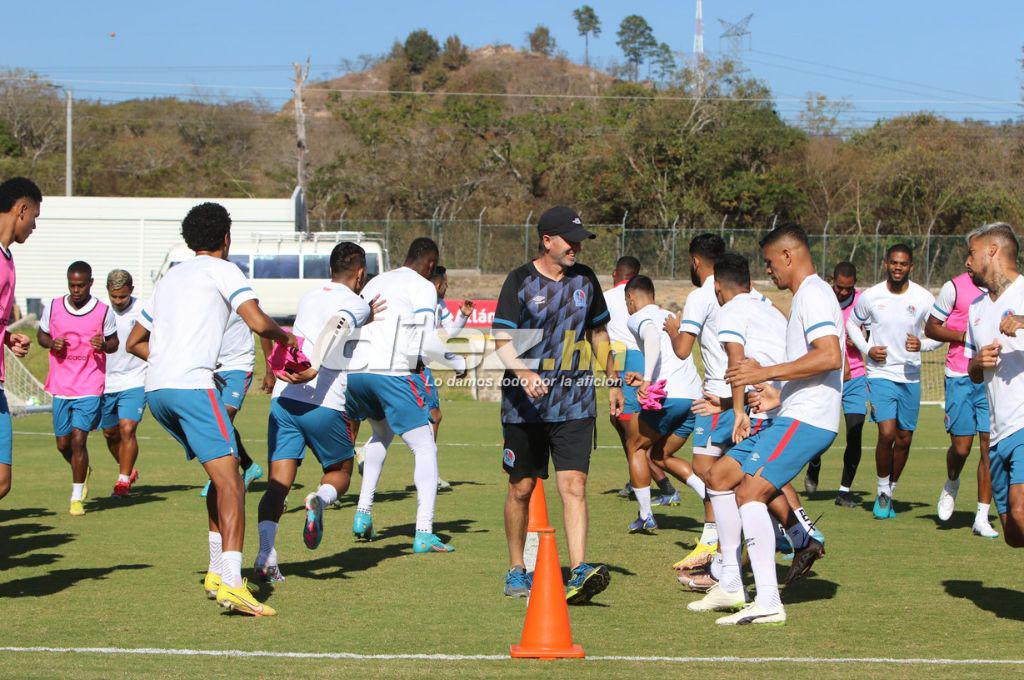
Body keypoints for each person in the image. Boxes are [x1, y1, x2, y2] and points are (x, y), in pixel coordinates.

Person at [127, 202, 294, 616]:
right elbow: (257, 322)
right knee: (234, 481)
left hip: (157, 392)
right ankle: (233, 584)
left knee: (223, 476)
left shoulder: (169, 278)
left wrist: (172, 362)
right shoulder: (225, 269)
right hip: (191, 387)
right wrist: (286, 338)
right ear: (225, 238)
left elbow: (134, 341)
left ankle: (219, 570)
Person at [696, 224, 842, 626]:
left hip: (809, 419)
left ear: (789, 256)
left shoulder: (812, 294)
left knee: (749, 493)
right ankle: (730, 582)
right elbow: (814, 364)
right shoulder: (803, 299)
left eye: (770, 262)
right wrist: (777, 391)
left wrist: (767, 371)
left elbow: (830, 356)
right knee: (719, 476)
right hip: (795, 410)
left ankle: (767, 599)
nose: (769, 271)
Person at [494, 205, 620, 603]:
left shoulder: (585, 280)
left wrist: (612, 379)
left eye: (579, 240)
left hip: (576, 401)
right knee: (521, 487)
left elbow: (598, 333)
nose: (576, 247)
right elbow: (502, 341)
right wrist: (525, 374)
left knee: (574, 485)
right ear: (547, 241)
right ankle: (517, 569)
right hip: (524, 407)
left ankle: (579, 569)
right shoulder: (519, 280)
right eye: (570, 240)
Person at [254, 242, 380, 582]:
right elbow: (339, 323)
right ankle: (319, 501)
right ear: (359, 273)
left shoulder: (310, 296)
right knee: (340, 471)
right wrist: (315, 368)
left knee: (277, 485)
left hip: (284, 400)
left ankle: (266, 556)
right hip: (323, 403)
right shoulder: (353, 302)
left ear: (329, 270)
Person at [346, 237, 465, 554]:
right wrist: (458, 362)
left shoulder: (377, 280)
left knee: (380, 434)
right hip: (391, 373)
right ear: (430, 263)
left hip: (357, 373)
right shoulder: (423, 286)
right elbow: (427, 341)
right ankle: (424, 531)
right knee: (425, 446)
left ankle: (362, 513)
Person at [846, 244, 940, 520]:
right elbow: (852, 324)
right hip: (880, 373)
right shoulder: (871, 296)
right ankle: (882, 490)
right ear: (886, 263)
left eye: (904, 264)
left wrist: (921, 345)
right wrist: (867, 349)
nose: (898, 268)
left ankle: (891, 489)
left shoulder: (923, 298)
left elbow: (937, 332)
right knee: (886, 433)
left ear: (911, 266)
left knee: (904, 438)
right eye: (894, 263)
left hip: (910, 375)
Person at [661, 234, 731, 572]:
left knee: (707, 470)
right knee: (740, 469)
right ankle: (791, 529)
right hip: (745, 393)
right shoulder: (743, 292)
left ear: (695, 261)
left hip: (717, 394)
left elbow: (682, 350)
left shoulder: (702, 295)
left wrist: (674, 329)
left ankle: (710, 544)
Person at [622, 275, 703, 533]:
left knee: (634, 446)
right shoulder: (668, 314)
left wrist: (646, 380)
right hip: (693, 398)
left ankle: (645, 515)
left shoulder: (637, 318)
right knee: (659, 454)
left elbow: (653, 339)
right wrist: (645, 378)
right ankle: (709, 495)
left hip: (669, 396)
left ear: (631, 299)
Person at [37, 261, 118, 516]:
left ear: (90, 284)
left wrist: (103, 345)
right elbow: (42, 336)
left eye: (81, 285)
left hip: (90, 384)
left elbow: (114, 342)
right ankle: (83, 470)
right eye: (72, 285)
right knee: (63, 445)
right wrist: (52, 343)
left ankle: (75, 497)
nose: (76, 290)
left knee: (79, 440)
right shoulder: (53, 307)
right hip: (61, 385)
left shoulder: (103, 311)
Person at [964, 222, 1024, 549]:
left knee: (1021, 511)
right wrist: (975, 364)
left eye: (972, 253)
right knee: (1014, 535)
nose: (967, 261)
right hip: (997, 432)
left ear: (992, 250)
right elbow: (974, 372)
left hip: (1023, 423)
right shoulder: (976, 309)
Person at [926, 269, 999, 538]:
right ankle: (952, 482)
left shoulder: (1008, 291)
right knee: (961, 448)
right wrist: (964, 336)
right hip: (959, 374)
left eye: (974, 253)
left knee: (988, 447)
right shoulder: (953, 287)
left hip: (992, 377)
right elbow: (931, 327)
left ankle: (982, 516)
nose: (969, 261)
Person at [605, 257, 679, 505]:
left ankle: (665, 486)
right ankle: (636, 476)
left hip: (626, 361)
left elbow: (597, 333)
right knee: (619, 420)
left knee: (631, 430)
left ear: (615, 273)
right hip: (646, 359)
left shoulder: (606, 297)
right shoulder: (643, 302)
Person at [805, 262, 868, 508]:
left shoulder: (863, 302)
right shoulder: (821, 300)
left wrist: (861, 341)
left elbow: (873, 336)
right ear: (833, 281)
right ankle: (814, 463)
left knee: (855, 433)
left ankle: (844, 491)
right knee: (818, 431)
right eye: (840, 287)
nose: (843, 292)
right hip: (828, 377)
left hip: (856, 377)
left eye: (848, 288)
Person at [0, 178, 39, 503]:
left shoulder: (7, 259)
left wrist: (7, 337)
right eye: (34, 218)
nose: (34, 226)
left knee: (2, 481)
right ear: (21, 209)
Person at [198, 306, 264, 498]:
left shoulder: (240, 297)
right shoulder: (206, 298)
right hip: (212, 366)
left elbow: (263, 328)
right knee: (214, 421)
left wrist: (270, 369)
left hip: (239, 365)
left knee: (224, 416)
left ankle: (221, 475)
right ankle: (249, 466)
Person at [425, 264, 474, 491]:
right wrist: (458, 362)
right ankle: (430, 475)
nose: (447, 287)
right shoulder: (423, 303)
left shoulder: (439, 304)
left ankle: (368, 451)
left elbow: (451, 331)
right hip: (415, 366)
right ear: (436, 284)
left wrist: (462, 316)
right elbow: (428, 341)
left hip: (417, 364)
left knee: (426, 417)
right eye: (445, 283)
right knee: (434, 416)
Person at [100, 269, 146, 497]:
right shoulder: (99, 311)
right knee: (110, 433)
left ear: (132, 291)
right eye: (114, 296)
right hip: (105, 381)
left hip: (136, 378)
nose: (118, 301)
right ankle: (128, 468)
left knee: (128, 428)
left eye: (123, 297)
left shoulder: (144, 310)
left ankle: (123, 481)